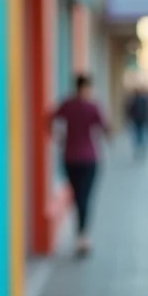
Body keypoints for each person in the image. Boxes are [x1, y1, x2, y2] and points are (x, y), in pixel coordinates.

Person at [50, 74, 109, 256]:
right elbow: (106, 128)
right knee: (85, 197)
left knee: (78, 197)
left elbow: (52, 120)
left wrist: (60, 139)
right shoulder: (92, 107)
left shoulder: (67, 105)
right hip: (89, 158)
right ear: (87, 88)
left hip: (70, 157)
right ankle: (82, 237)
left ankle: (81, 235)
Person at [124, 87, 148, 156]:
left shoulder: (142, 101)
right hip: (137, 120)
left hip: (141, 120)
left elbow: (147, 110)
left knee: (141, 134)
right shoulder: (133, 101)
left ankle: (141, 148)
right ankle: (139, 148)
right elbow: (130, 110)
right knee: (137, 135)